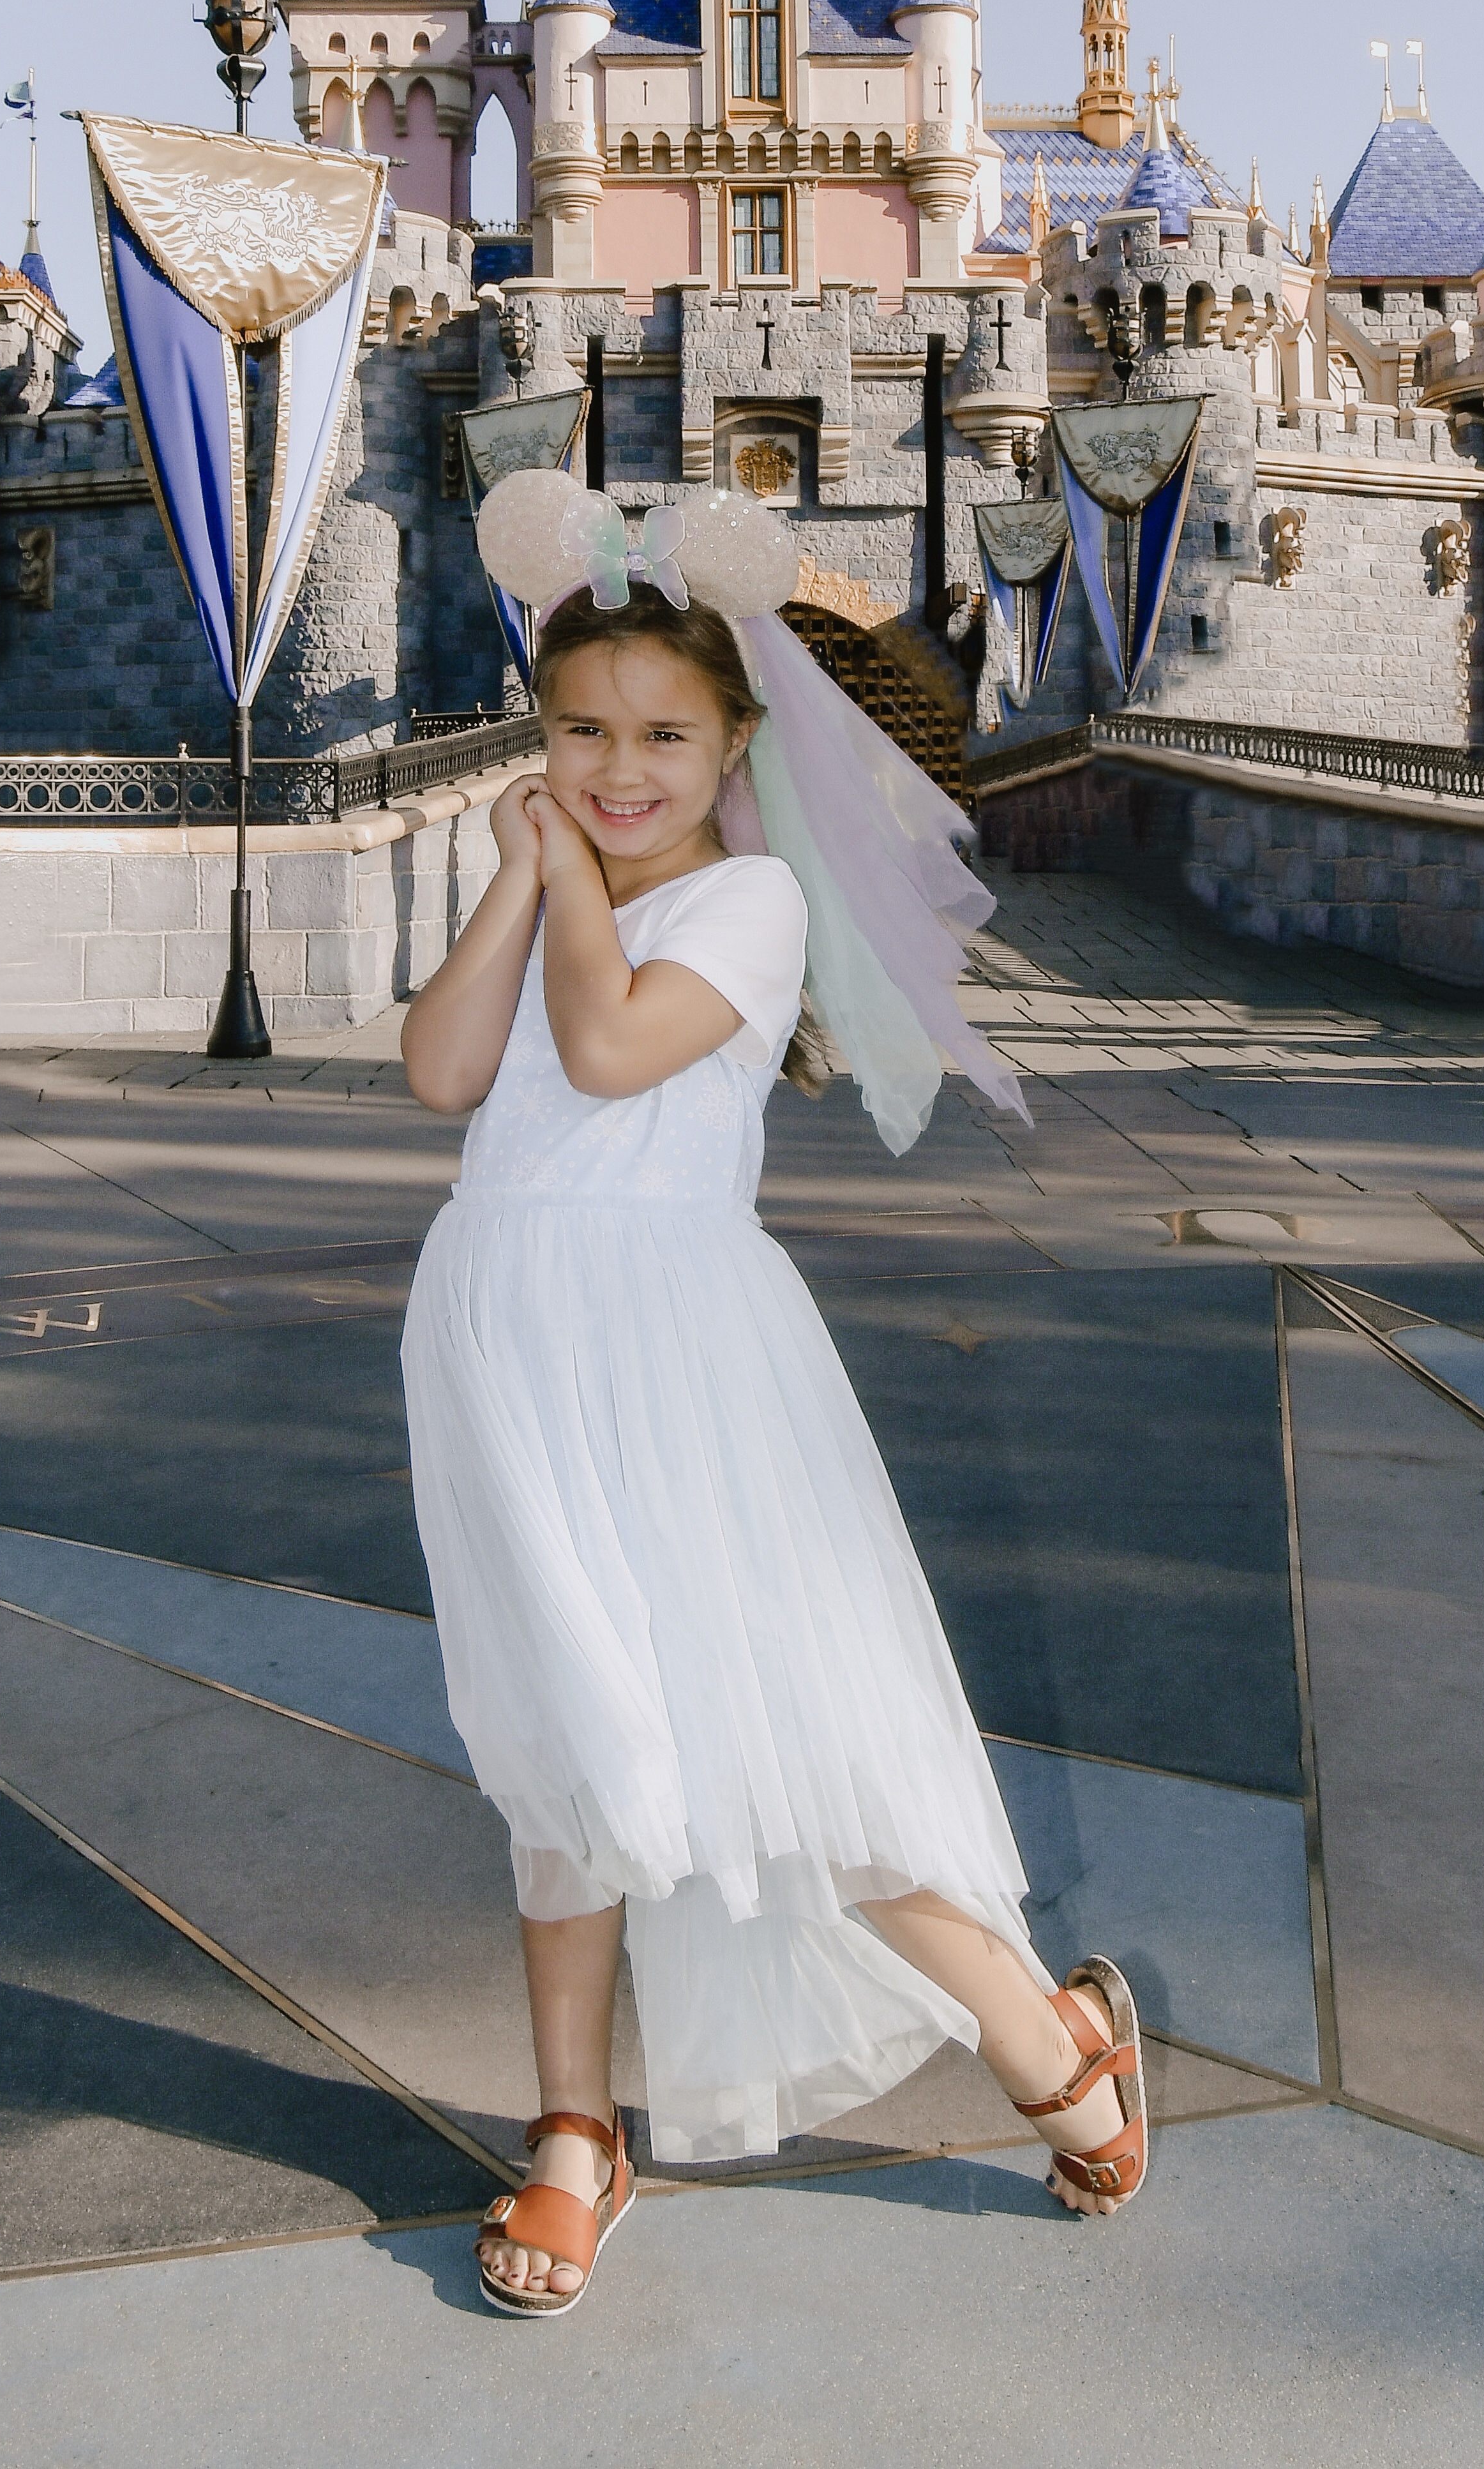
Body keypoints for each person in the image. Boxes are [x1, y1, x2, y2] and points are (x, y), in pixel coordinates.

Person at [401, 477, 1148, 2320]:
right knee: (563, 1744)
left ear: (734, 741)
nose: (615, 766)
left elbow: (608, 1044)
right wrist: (518, 875)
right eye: (579, 733)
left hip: (677, 1351)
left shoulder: (746, 903)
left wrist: (569, 873)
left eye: (662, 733)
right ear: (540, 732)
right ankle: (578, 2130)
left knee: (767, 1741)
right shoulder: (549, 868)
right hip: (504, 1328)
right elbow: (441, 1073)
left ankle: (1040, 2027)